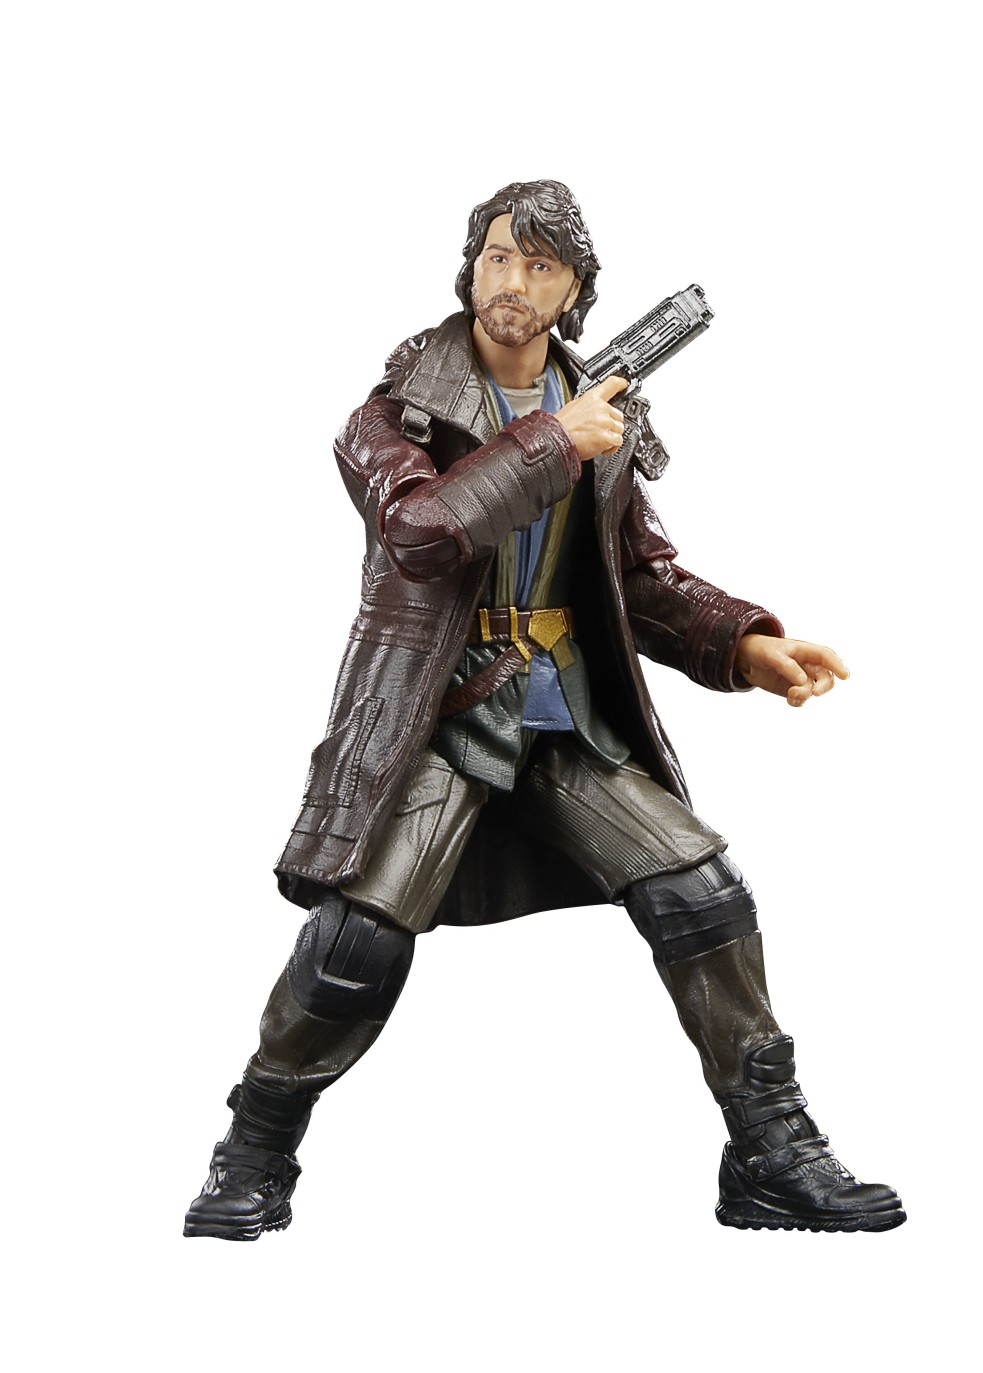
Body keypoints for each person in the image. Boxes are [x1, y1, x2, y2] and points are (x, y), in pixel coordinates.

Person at [184, 179, 904, 1240]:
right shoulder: (394, 416)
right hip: (433, 722)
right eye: (495, 257)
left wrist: (744, 644)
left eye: (538, 264)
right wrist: (554, 441)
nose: (511, 281)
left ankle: (771, 1151)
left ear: (573, 290)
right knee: (356, 946)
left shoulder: (595, 413)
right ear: (468, 269)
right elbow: (422, 533)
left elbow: (637, 575)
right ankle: (252, 1150)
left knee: (702, 893)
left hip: (560, 715)